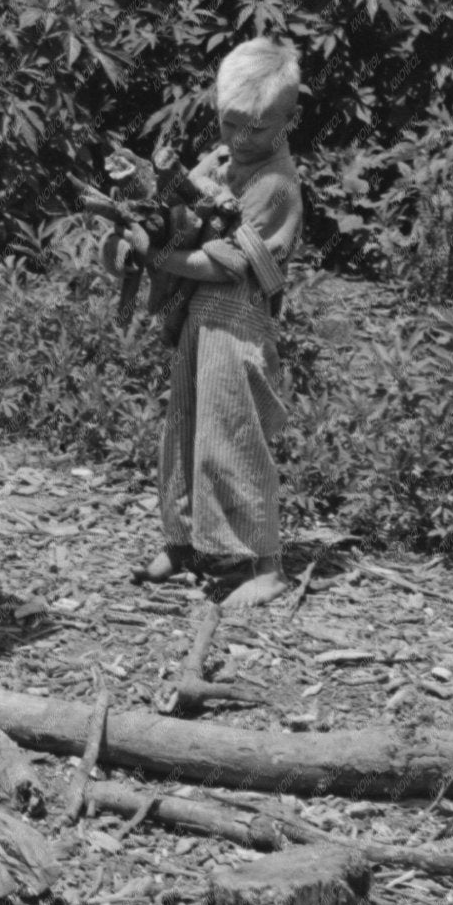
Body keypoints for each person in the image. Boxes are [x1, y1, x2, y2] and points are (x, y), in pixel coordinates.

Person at [124, 37, 304, 612]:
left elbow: (226, 264)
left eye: (257, 128)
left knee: (232, 437)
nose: (241, 139)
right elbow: (175, 206)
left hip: (238, 319)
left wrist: (161, 259)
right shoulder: (220, 161)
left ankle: (265, 563)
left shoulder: (276, 184)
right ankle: (185, 544)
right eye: (230, 124)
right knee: (184, 432)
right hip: (198, 321)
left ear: (288, 120)